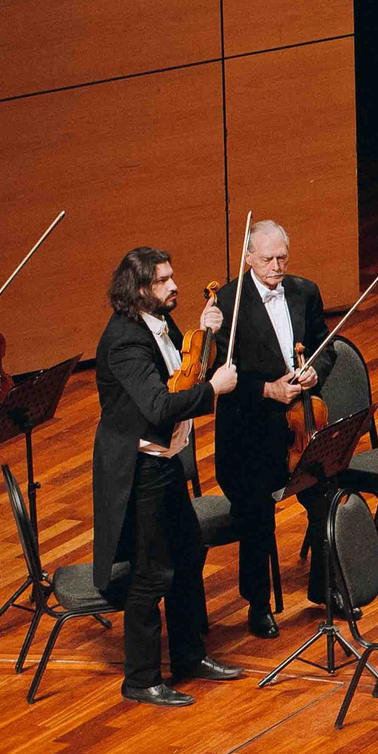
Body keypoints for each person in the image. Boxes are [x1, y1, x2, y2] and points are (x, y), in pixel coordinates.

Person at [89, 247, 242, 706]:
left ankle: (190, 656)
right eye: (162, 281)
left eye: (172, 277)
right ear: (138, 290)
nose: (174, 286)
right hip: (140, 468)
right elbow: (158, 406)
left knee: (189, 552)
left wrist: (208, 338)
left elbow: (185, 373)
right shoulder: (125, 341)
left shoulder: (161, 324)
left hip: (165, 459)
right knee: (152, 572)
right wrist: (213, 390)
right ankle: (139, 678)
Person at [208, 220, 331, 637]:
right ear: (248, 258)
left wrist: (315, 371)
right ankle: (258, 605)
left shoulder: (305, 291)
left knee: (325, 499)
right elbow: (218, 376)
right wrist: (266, 389)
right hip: (248, 435)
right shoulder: (227, 303)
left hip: (300, 426)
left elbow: (324, 346)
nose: (277, 266)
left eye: (282, 257)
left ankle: (326, 589)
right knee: (258, 515)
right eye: (267, 259)